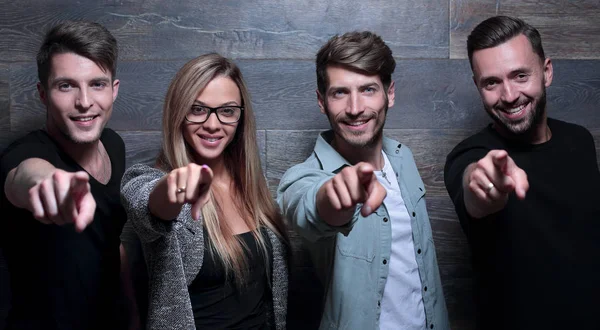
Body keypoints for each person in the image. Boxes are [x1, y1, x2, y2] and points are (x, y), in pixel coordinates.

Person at [277, 31, 449, 330]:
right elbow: (308, 206)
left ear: (389, 94)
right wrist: (335, 198)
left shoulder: (402, 157)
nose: (355, 108)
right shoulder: (303, 177)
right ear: (322, 101)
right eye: (340, 92)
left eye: (368, 89)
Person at [444, 16, 600, 330]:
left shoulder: (580, 140)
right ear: (478, 87)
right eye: (491, 82)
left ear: (547, 72)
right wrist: (484, 185)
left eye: (519, 75)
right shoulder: (469, 155)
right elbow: (473, 186)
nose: (510, 95)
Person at [120, 53, 290, 330]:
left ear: (241, 117)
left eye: (227, 111)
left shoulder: (252, 188)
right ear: (178, 112)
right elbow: (146, 205)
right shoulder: (151, 181)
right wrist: (172, 187)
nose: (213, 124)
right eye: (198, 109)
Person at [0, 21, 135, 329]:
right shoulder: (25, 153)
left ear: (114, 90)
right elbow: (24, 175)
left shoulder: (113, 144)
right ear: (43, 94)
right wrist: (47, 183)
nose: (84, 102)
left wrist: (133, 312)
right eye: (66, 85)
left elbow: (110, 240)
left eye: (97, 84)